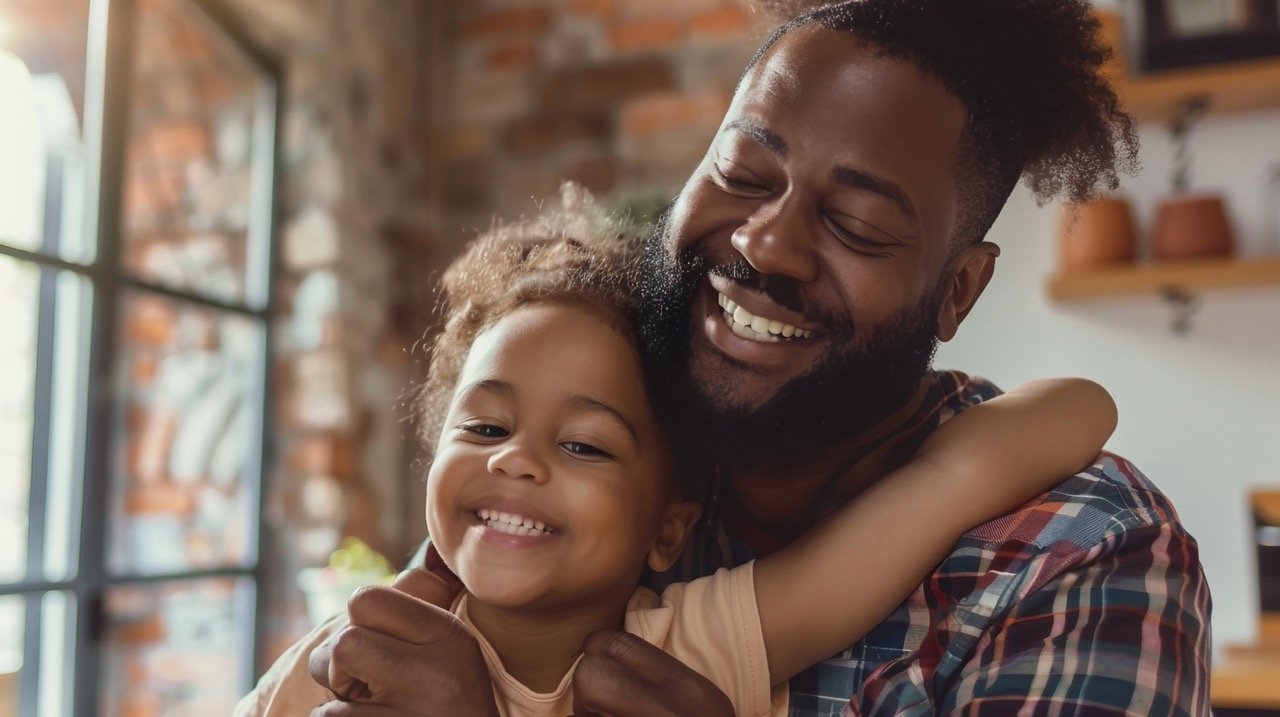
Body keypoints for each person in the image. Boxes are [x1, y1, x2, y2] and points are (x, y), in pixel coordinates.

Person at [307, 0, 1213, 714]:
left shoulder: (1084, 556)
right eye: (742, 174)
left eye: (856, 223)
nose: (766, 242)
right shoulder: (612, 430)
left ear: (958, 290)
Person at [236, 201, 1117, 716]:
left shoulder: (690, 647)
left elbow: (998, 453)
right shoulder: (364, 645)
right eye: (484, 428)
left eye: (583, 443)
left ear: (671, 526)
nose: (517, 462)